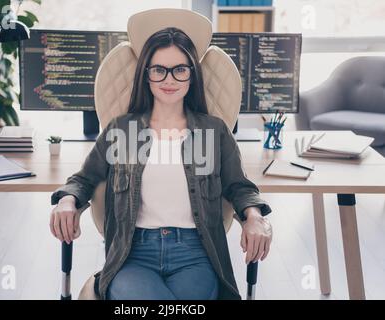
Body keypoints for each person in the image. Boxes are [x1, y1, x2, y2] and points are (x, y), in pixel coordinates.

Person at [50, 24, 272, 300]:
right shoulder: (123, 130)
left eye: (180, 69)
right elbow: (83, 179)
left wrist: (254, 217)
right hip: (132, 254)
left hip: (195, 253)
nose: (169, 80)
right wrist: (67, 201)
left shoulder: (212, 132)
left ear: (192, 75)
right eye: (159, 70)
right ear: (146, 75)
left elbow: (239, 187)